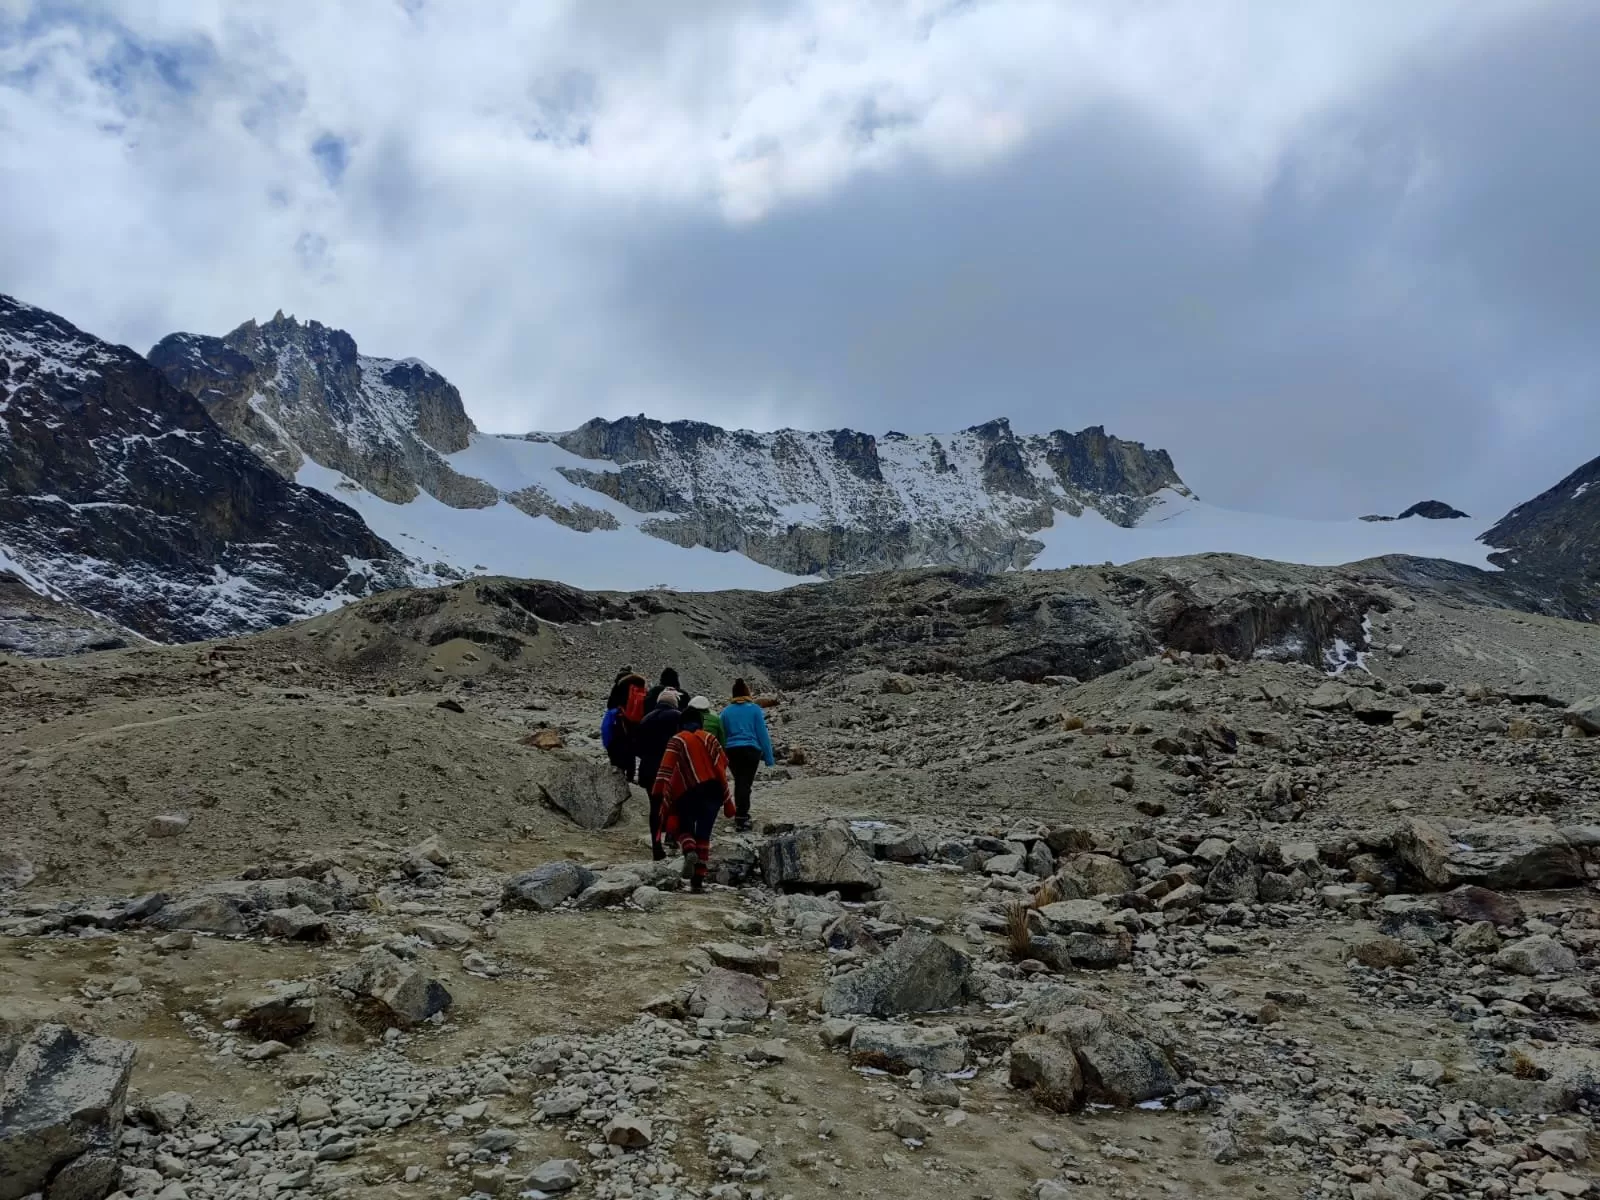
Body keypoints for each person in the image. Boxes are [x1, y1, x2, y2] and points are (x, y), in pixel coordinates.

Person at [653, 705, 733, 893]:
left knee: (683, 825)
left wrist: (659, 792)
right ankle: (698, 879)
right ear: (701, 723)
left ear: (681, 724)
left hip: (686, 792)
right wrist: (726, 795)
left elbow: (666, 768)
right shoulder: (710, 738)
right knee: (704, 834)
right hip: (713, 791)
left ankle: (689, 850)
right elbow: (722, 763)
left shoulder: (677, 740)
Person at [719, 678, 774, 833]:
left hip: (732, 751)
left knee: (740, 781)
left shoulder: (725, 712)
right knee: (745, 783)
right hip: (751, 750)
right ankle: (742, 817)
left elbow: (722, 735)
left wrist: (721, 756)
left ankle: (741, 815)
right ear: (747, 693)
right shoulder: (755, 709)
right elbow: (762, 734)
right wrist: (769, 757)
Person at [634, 691, 683, 859]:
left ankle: (656, 847)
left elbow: (637, 748)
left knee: (655, 808)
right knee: (675, 804)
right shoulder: (678, 717)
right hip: (671, 769)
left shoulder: (646, 719)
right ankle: (671, 835)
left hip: (648, 770)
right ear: (674, 704)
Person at [603, 667, 648, 783]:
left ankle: (619, 776)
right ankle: (630, 777)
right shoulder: (639, 684)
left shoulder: (619, 685)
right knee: (631, 750)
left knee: (618, 747)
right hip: (636, 723)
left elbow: (610, 705)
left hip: (620, 720)